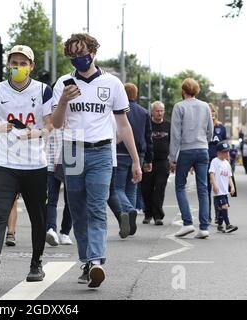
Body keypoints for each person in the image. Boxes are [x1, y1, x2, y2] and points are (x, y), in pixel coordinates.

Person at [52, 34, 142, 288]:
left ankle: (96, 262)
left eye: (81, 52)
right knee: (78, 209)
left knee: (97, 207)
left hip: (102, 151)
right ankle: (88, 261)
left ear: (93, 52)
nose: (77, 58)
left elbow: (123, 126)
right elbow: (56, 123)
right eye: (72, 55)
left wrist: (135, 160)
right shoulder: (63, 83)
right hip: (72, 150)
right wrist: (63, 101)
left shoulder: (112, 83)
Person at [0, 45, 53, 286]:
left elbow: (51, 125)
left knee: (37, 217)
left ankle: (36, 263)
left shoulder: (43, 90)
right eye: (14, 63)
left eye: (23, 63)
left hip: (35, 165)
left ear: (31, 66)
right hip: (5, 163)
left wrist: (37, 132)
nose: (17, 67)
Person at [170, 78, 214, 239]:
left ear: (183, 91)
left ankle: (187, 223)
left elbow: (175, 134)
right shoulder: (205, 106)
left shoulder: (179, 106)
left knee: (180, 186)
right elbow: (210, 129)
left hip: (186, 150)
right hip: (203, 149)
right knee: (203, 188)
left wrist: (172, 156)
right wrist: (204, 143)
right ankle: (204, 228)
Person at [115, 83, 153, 237]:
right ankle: (131, 216)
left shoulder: (118, 111)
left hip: (121, 152)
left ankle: (128, 209)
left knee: (117, 188)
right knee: (132, 187)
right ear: (136, 95)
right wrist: (148, 158)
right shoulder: (144, 112)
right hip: (139, 154)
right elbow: (148, 136)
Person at [142, 101, 171, 225]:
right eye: (157, 111)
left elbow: (173, 142)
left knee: (159, 189)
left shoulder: (168, 125)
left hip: (163, 162)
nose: (159, 113)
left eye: (161, 111)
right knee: (146, 189)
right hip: (148, 161)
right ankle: (148, 213)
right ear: (152, 112)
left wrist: (173, 160)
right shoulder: (147, 124)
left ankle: (157, 216)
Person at [45, 128, 73, 247]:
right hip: (49, 163)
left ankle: (65, 233)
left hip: (70, 164)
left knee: (71, 201)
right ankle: (51, 230)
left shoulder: (72, 119)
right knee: (51, 199)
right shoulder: (48, 116)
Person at [209, 142, 238, 233]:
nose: (226, 154)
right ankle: (228, 225)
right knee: (224, 206)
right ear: (218, 152)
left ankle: (220, 225)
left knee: (222, 209)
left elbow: (229, 177)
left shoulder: (227, 163)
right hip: (218, 191)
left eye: (227, 152)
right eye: (224, 152)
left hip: (225, 191)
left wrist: (232, 187)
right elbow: (211, 174)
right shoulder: (215, 161)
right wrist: (214, 184)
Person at [207, 103, 227, 224]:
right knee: (206, 189)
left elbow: (225, 147)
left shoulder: (221, 128)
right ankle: (207, 215)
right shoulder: (203, 127)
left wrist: (227, 163)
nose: (212, 113)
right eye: (209, 111)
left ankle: (218, 215)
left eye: (213, 111)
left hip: (219, 162)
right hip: (206, 161)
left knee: (218, 190)